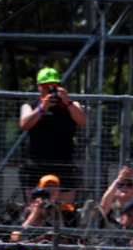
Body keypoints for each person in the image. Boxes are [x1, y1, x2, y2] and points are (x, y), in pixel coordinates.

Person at [18, 66, 86, 200]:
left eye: (55, 85)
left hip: (64, 162)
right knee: (35, 205)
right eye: (46, 86)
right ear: (39, 87)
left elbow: (82, 120)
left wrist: (68, 103)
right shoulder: (30, 106)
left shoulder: (72, 105)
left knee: (66, 207)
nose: (51, 89)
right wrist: (42, 108)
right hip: (36, 163)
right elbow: (25, 124)